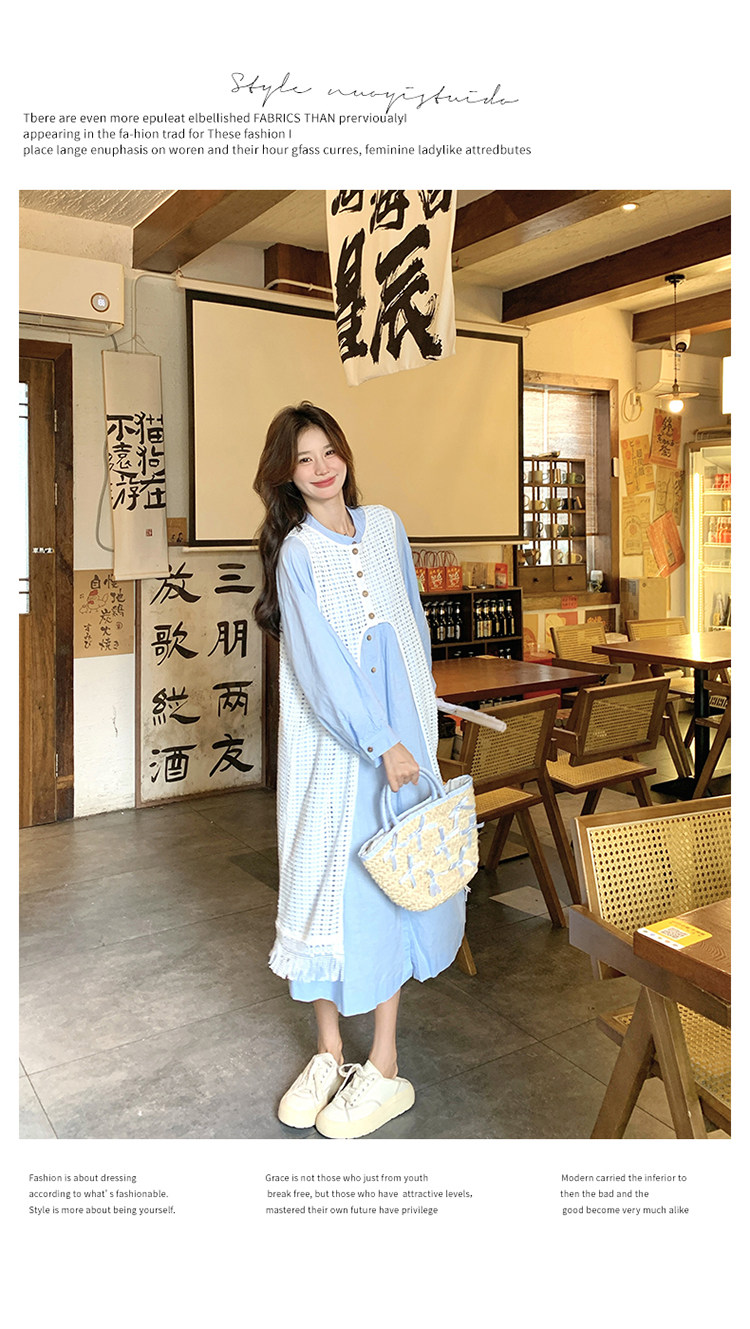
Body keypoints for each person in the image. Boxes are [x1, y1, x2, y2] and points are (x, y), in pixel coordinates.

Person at [253, 402, 465, 1139]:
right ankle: (328, 1053)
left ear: (344, 453)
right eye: (304, 459)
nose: (321, 467)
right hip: (335, 751)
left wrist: (417, 723)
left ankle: (383, 1062)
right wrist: (380, 741)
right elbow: (319, 669)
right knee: (323, 881)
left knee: (391, 885)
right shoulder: (297, 554)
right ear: (286, 475)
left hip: (402, 737)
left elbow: (411, 626)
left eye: (329, 451)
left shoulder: (387, 527)